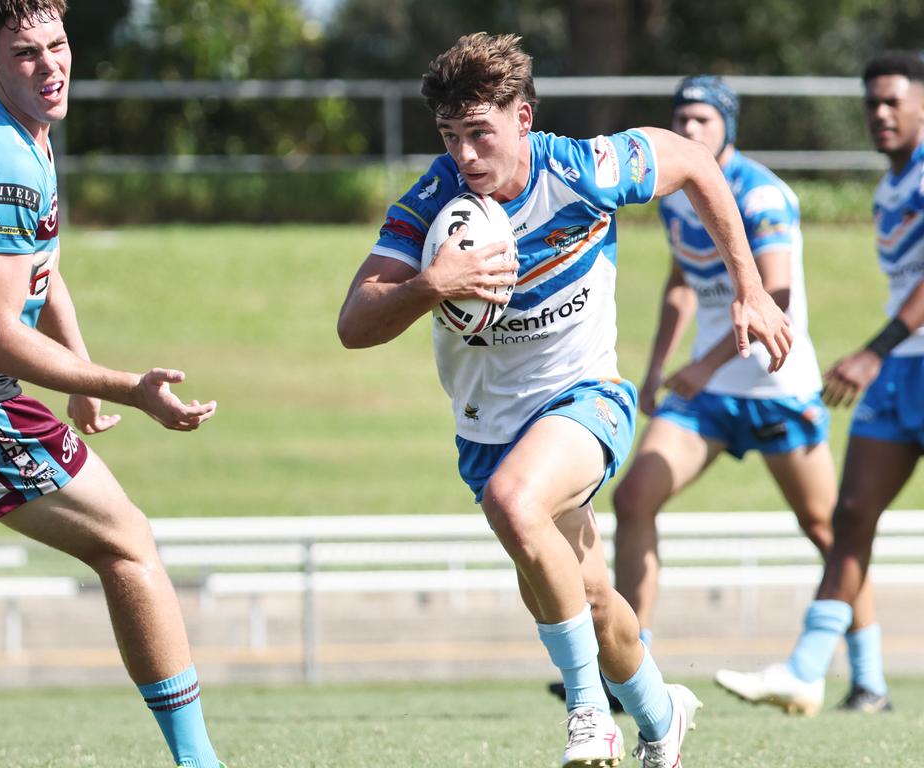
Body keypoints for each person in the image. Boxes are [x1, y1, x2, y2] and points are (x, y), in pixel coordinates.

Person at [338, 32, 792, 768]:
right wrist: (433, 286)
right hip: (489, 429)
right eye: (451, 137)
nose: (466, 156)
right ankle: (660, 716)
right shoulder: (434, 202)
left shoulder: (584, 167)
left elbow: (696, 163)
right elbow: (354, 323)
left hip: (587, 397)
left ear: (523, 117)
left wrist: (748, 288)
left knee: (517, 504)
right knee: (595, 602)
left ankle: (589, 716)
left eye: (480, 133)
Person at [0, 3, 224, 766]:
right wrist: (125, 388)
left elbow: (38, 266)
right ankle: (199, 763)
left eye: (58, 45)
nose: (50, 66)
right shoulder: (4, 162)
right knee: (128, 545)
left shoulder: (7, 131)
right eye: (24, 53)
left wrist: (77, 366)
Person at [608, 75, 889, 714]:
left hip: (775, 384)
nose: (689, 131)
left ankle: (868, 677)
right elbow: (683, 281)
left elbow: (778, 297)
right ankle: (630, 670)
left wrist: (703, 367)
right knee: (633, 498)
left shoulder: (761, 193)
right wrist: (656, 369)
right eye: (681, 119)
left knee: (829, 529)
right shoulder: (677, 193)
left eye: (704, 120)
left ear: (728, 126)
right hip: (707, 394)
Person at [714, 50, 924, 716]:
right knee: (852, 514)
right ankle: (807, 670)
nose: (880, 113)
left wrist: (873, 350)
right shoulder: (891, 186)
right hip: (904, 367)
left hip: (894, 355)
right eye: (872, 102)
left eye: (893, 100)